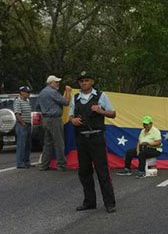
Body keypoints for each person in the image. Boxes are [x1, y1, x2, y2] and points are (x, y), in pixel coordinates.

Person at [69, 71, 117, 213]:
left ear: (92, 82)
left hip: (96, 137)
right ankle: (89, 202)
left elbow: (113, 113)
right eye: (82, 81)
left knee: (102, 171)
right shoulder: (75, 98)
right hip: (82, 138)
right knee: (84, 171)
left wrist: (101, 111)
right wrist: (73, 120)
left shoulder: (101, 96)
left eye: (87, 80)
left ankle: (109, 203)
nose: (84, 83)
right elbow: (70, 116)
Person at [38, 75, 71, 171]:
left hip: (45, 119)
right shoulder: (52, 92)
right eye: (56, 82)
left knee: (48, 143)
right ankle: (61, 165)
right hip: (54, 120)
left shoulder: (42, 92)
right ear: (50, 83)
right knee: (59, 142)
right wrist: (68, 91)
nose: (58, 84)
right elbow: (66, 102)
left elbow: (37, 106)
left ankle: (44, 165)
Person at [13, 86, 33, 169]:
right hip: (22, 125)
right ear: (22, 92)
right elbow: (17, 114)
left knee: (28, 145)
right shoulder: (18, 101)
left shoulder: (27, 101)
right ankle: (20, 163)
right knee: (21, 144)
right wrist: (23, 123)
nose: (28, 94)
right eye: (27, 92)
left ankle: (26, 162)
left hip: (28, 124)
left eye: (29, 92)